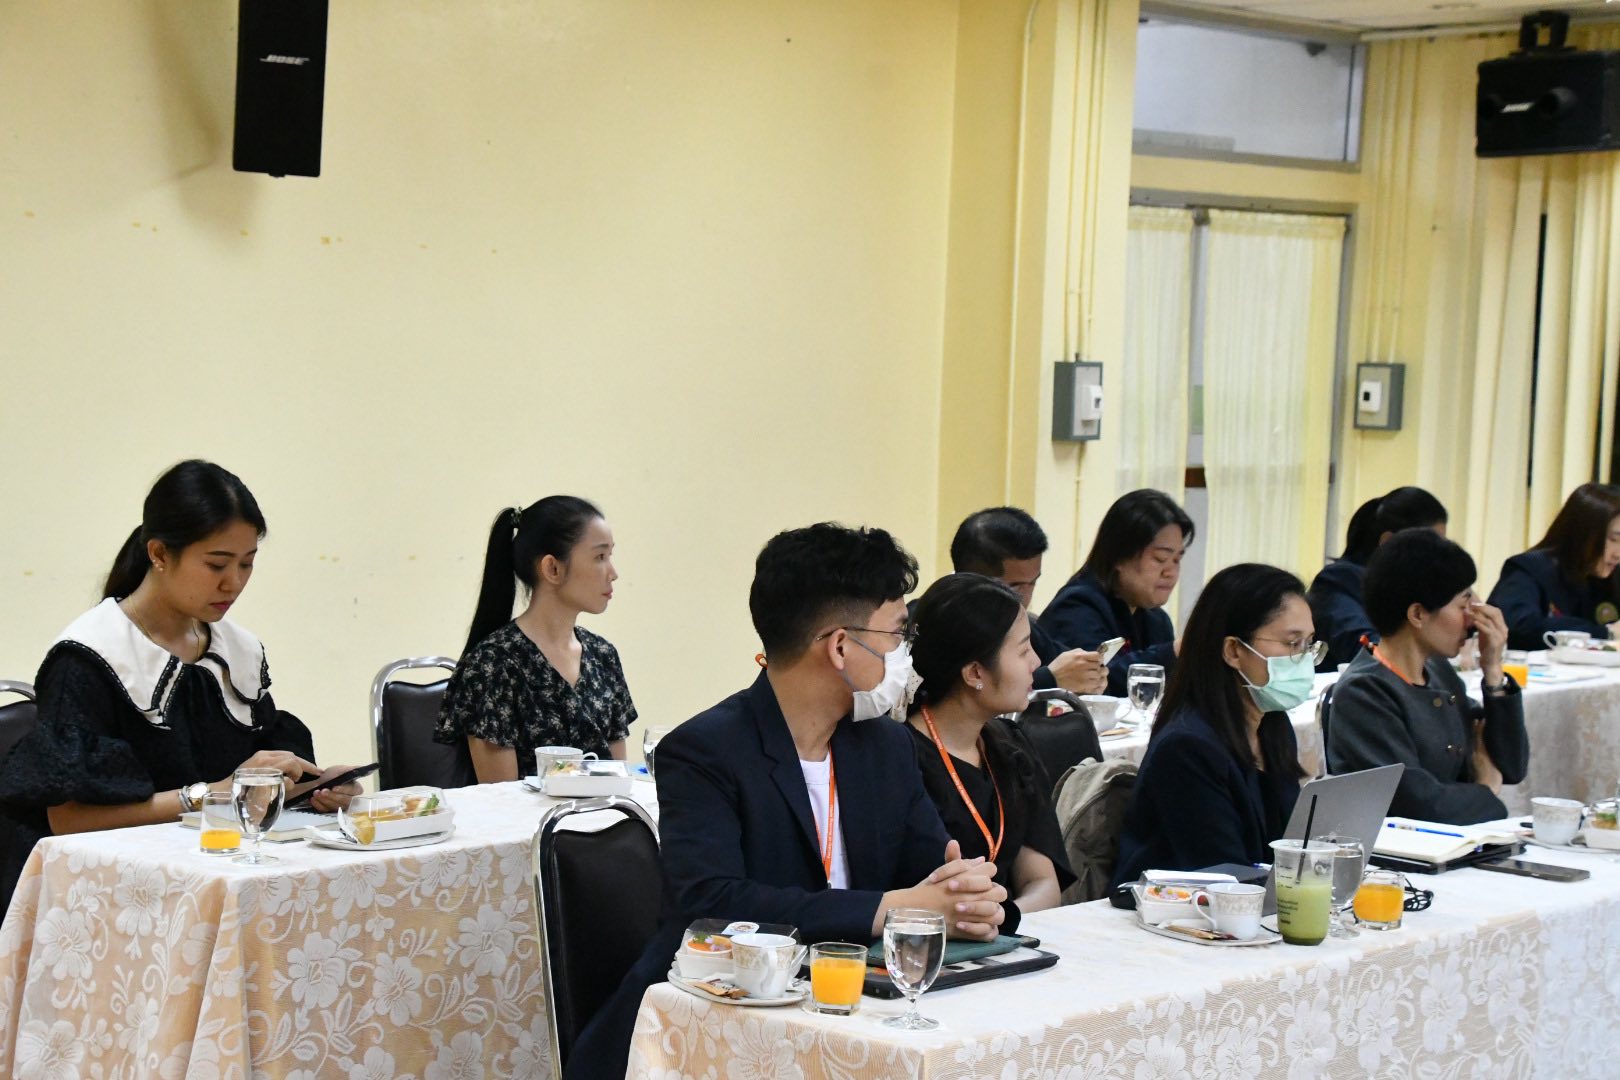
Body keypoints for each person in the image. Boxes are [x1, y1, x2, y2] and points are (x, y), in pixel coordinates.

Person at [566, 523, 1006, 1080]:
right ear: (841, 646)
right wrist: (893, 910)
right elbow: (710, 904)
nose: (905, 655)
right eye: (897, 633)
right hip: (713, 1030)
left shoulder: (885, 746)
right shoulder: (704, 751)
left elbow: (931, 877)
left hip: (853, 1014)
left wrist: (968, 898)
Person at [0, 461, 362, 914]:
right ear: (159, 553)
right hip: (107, 896)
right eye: (216, 564)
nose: (234, 583)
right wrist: (212, 793)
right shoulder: (89, 658)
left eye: (247, 563)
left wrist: (313, 789)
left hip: (210, 879)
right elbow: (69, 820)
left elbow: (252, 781)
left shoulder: (237, 652)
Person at [1110, 563, 1313, 888]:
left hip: (1258, 902)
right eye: (1292, 644)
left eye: (1309, 644)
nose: (1304, 658)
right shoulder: (1187, 747)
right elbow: (1223, 872)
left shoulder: (1273, 726)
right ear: (1233, 650)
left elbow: (1288, 844)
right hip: (1183, 910)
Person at [904, 573, 1075, 930]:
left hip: (1008, 934)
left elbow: (1043, 882)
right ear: (975, 672)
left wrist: (1002, 919)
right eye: (1023, 651)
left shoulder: (1009, 746)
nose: (1036, 662)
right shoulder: (903, 757)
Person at [1329, 529, 1528, 825]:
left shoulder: (1437, 671)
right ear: (1418, 615)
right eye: (1463, 605)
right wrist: (1486, 789)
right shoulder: (1365, 691)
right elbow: (1418, 805)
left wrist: (1493, 671)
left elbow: (1510, 766)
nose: (1473, 619)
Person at [435, 496, 634, 781]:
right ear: (552, 568)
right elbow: (500, 796)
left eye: (610, 556)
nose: (613, 574)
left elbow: (617, 779)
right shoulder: (493, 664)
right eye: (600, 557)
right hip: (527, 812)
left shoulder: (604, 655)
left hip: (604, 811)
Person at [1040, 489, 1193, 696]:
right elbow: (1100, 681)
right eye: (1160, 558)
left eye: (1177, 560)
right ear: (1120, 556)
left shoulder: (1156, 619)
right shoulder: (1077, 606)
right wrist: (1175, 651)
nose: (1171, 572)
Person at [949, 507, 1107, 695]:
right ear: (972, 578)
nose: (1025, 598)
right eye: (1014, 586)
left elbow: (1059, 659)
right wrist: (1049, 679)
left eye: (1033, 582)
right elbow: (957, 696)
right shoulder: (937, 624)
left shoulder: (1021, 623)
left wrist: (1088, 673)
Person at [1308, 486, 1448, 671]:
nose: (1437, 558)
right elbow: (1366, 648)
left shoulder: (1406, 588)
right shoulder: (1338, 581)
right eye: (1430, 547)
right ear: (1388, 542)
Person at [1489, 482, 1620, 652]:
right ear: (1583, 533)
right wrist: (1605, 633)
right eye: (1614, 540)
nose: (1618, 554)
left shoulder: (1613, 575)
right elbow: (1518, 627)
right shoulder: (1530, 568)